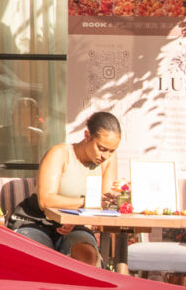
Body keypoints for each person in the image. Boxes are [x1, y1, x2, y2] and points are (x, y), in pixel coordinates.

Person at [9, 111, 123, 267]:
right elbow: (46, 200)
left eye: (112, 151)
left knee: (87, 256)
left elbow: (101, 204)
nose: (106, 156)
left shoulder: (108, 160)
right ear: (87, 135)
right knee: (39, 258)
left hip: (77, 224)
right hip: (38, 221)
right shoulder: (60, 154)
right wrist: (84, 203)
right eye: (101, 148)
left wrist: (119, 196)